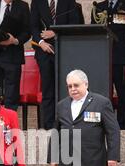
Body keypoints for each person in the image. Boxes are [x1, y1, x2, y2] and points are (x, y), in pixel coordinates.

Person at [91, 0, 125, 130]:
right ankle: (103, 125)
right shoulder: (98, 7)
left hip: (122, 57)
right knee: (101, 94)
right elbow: (93, 32)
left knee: (122, 93)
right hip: (103, 57)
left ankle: (122, 126)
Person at [31, 0, 80, 129]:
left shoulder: (69, 2)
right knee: (47, 89)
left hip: (65, 50)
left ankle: (65, 124)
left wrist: (56, 32)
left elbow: (75, 23)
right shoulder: (37, 2)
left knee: (66, 89)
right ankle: (48, 125)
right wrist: (41, 42)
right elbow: (33, 26)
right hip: (44, 51)